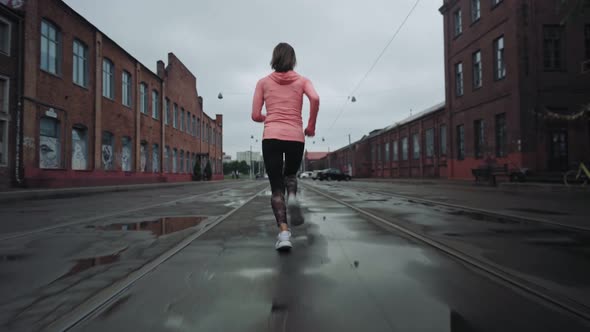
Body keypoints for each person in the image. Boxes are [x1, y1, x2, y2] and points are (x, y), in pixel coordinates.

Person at [252, 42, 320, 250]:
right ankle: (292, 196)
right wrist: (310, 126)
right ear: (293, 59)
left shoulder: (263, 82)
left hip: (271, 136)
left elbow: (255, 115)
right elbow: (315, 98)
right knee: (290, 176)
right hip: (295, 136)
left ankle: (283, 234)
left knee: (275, 187)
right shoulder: (302, 81)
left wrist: (269, 117)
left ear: (274, 58)